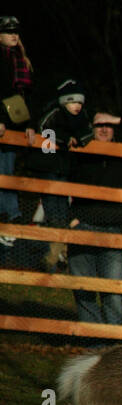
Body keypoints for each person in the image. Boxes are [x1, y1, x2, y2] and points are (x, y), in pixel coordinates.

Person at [67, 111, 122, 342]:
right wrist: (70, 219)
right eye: (98, 125)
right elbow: (48, 148)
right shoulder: (80, 150)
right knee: (83, 288)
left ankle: (114, 345)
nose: (104, 129)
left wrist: (120, 119)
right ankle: (93, 342)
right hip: (82, 227)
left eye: (108, 125)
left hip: (113, 231)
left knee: (113, 291)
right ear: (90, 128)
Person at [29, 78, 92, 269]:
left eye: (80, 102)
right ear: (65, 101)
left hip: (64, 170)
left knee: (62, 213)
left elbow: (88, 133)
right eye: (73, 102)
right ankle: (53, 256)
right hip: (49, 168)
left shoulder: (82, 117)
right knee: (52, 211)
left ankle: (53, 257)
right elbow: (43, 129)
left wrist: (79, 140)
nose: (77, 106)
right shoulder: (54, 113)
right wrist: (66, 139)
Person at [0, 15, 34, 241]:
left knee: (6, 170)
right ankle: (11, 212)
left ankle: (10, 213)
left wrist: (29, 125)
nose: (14, 35)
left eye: (16, 31)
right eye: (8, 31)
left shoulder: (22, 60)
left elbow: (27, 96)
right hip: (3, 120)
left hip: (14, 123)